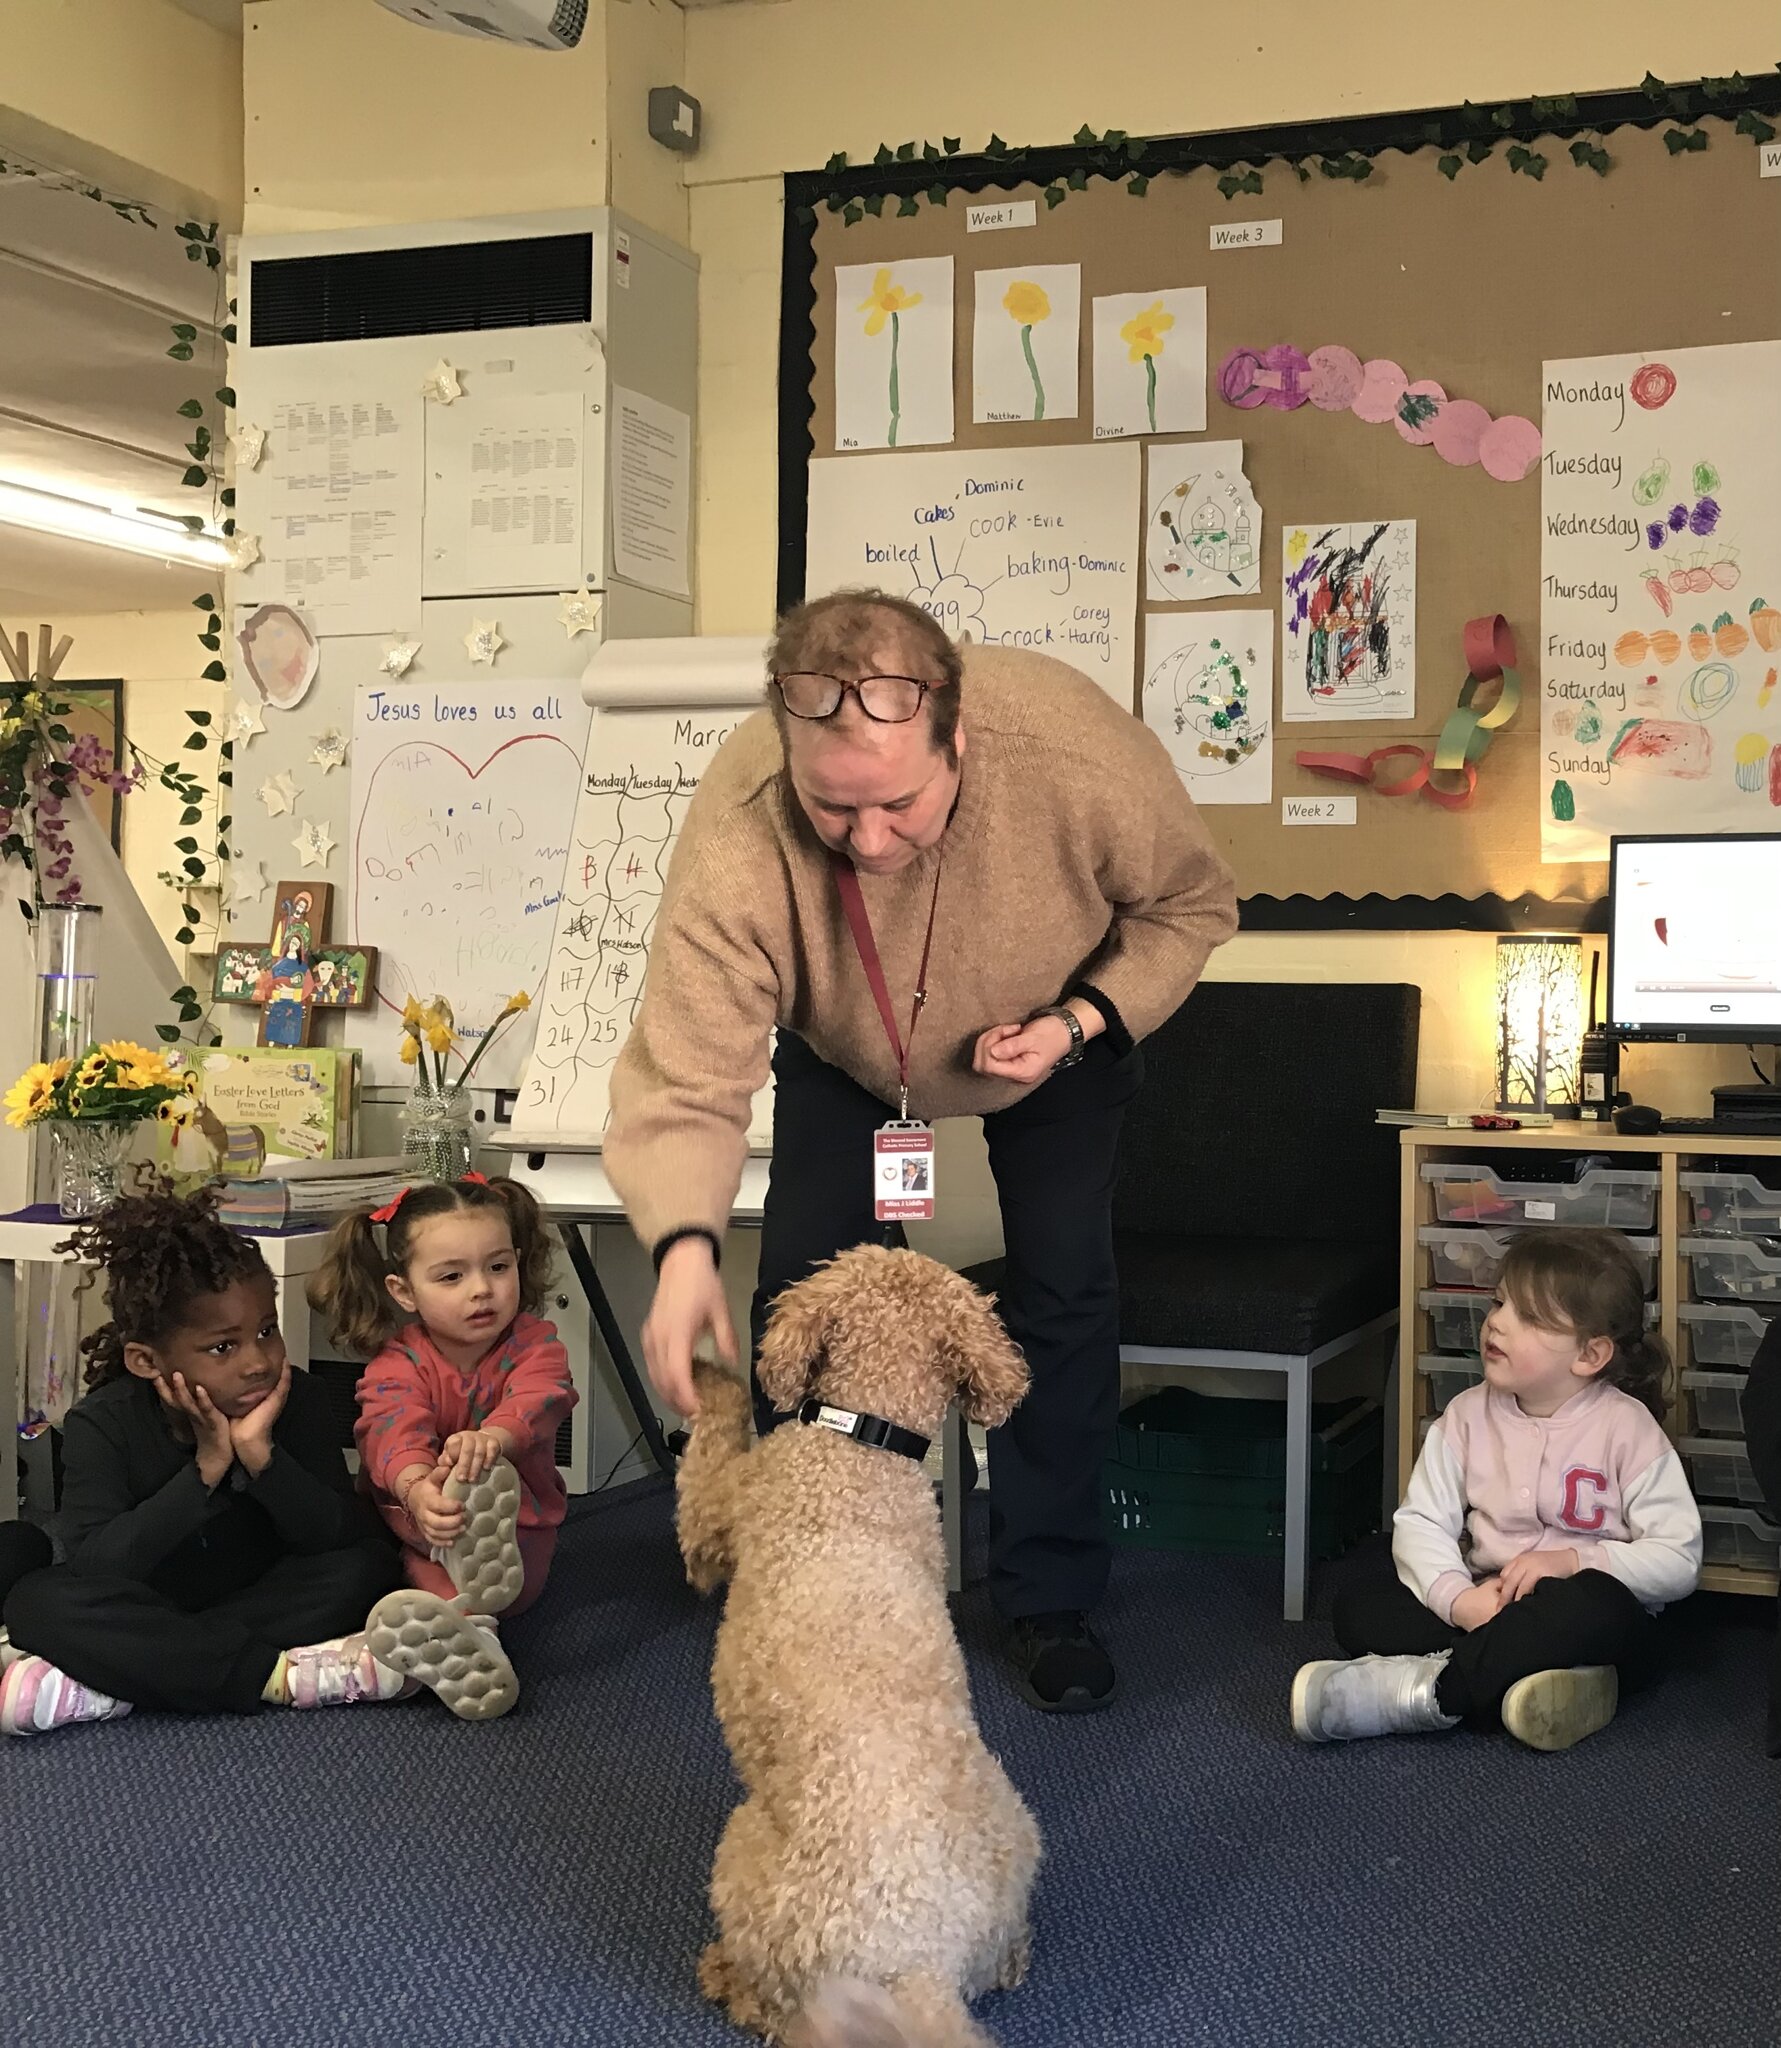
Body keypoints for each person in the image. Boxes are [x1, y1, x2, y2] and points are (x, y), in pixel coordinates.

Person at [605, 589, 1237, 1713]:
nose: (869, 841)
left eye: (898, 803)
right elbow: (685, 1069)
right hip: (851, 1053)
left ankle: (1047, 1594)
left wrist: (1078, 1022)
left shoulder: (1074, 749)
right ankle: (814, 1579)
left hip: (1053, 1036)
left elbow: (1189, 906)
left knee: (1061, 1290)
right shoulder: (741, 818)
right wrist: (684, 1243)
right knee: (803, 1297)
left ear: (958, 739)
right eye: (832, 807)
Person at [0, 1192, 406, 1738]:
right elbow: (97, 1566)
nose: (258, 1362)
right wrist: (207, 1468)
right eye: (222, 1348)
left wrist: (262, 1459)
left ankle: (126, 1671)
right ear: (146, 1361)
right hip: (154, 1595)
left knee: (369, 1565)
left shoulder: (300, 1398)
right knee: (39, 1602)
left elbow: (333, 1537)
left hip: (250, 1593)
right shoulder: (103, 1423)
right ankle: (276, 1677)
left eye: (266, 1331)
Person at [1294, 1228, 1701, 1752]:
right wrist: (1460, 1600)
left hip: (1582, 1615)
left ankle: (1438, 1694)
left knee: (1596, 1608)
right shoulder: (1465, 1415)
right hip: (1485, 1602)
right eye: (1499, 1302)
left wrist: (1573, 1562)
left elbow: (1678, 1560)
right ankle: (1531, 1681)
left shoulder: (1628, 1427)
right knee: (1358, 1607)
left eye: (1528, 1317)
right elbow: (1421, 1523)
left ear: (1589, 1354)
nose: (1498, 1322)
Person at [310, 1172, 576, 1717]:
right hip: (420, 1525)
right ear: (403, 1291)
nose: (482, 1289)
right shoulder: (398, 1362)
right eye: (452, 1276)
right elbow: (389, 1427)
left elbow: (543, 1396)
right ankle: (470, 1632)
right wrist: (416, 1489)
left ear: (518, 1262)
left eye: (498, 1267)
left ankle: (467, 1621)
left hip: (517, 1527)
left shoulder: (535, 1344)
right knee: (412, 1565)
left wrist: (492, 1440)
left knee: (481, 1581)